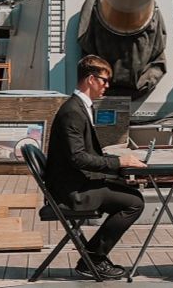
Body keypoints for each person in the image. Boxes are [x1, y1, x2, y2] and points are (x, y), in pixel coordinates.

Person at [45, 55, 146, 279]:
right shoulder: (73, 111)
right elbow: (78, 157)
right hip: (71, 191)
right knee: (134, 203)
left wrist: (117, 167)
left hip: (73, 182)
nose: (107, 86)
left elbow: (83, 155)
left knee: (129, 193)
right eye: (104, 80)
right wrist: (120, 162)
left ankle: (92, 256)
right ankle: (94, 258)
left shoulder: (78, 107)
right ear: (91, 79)